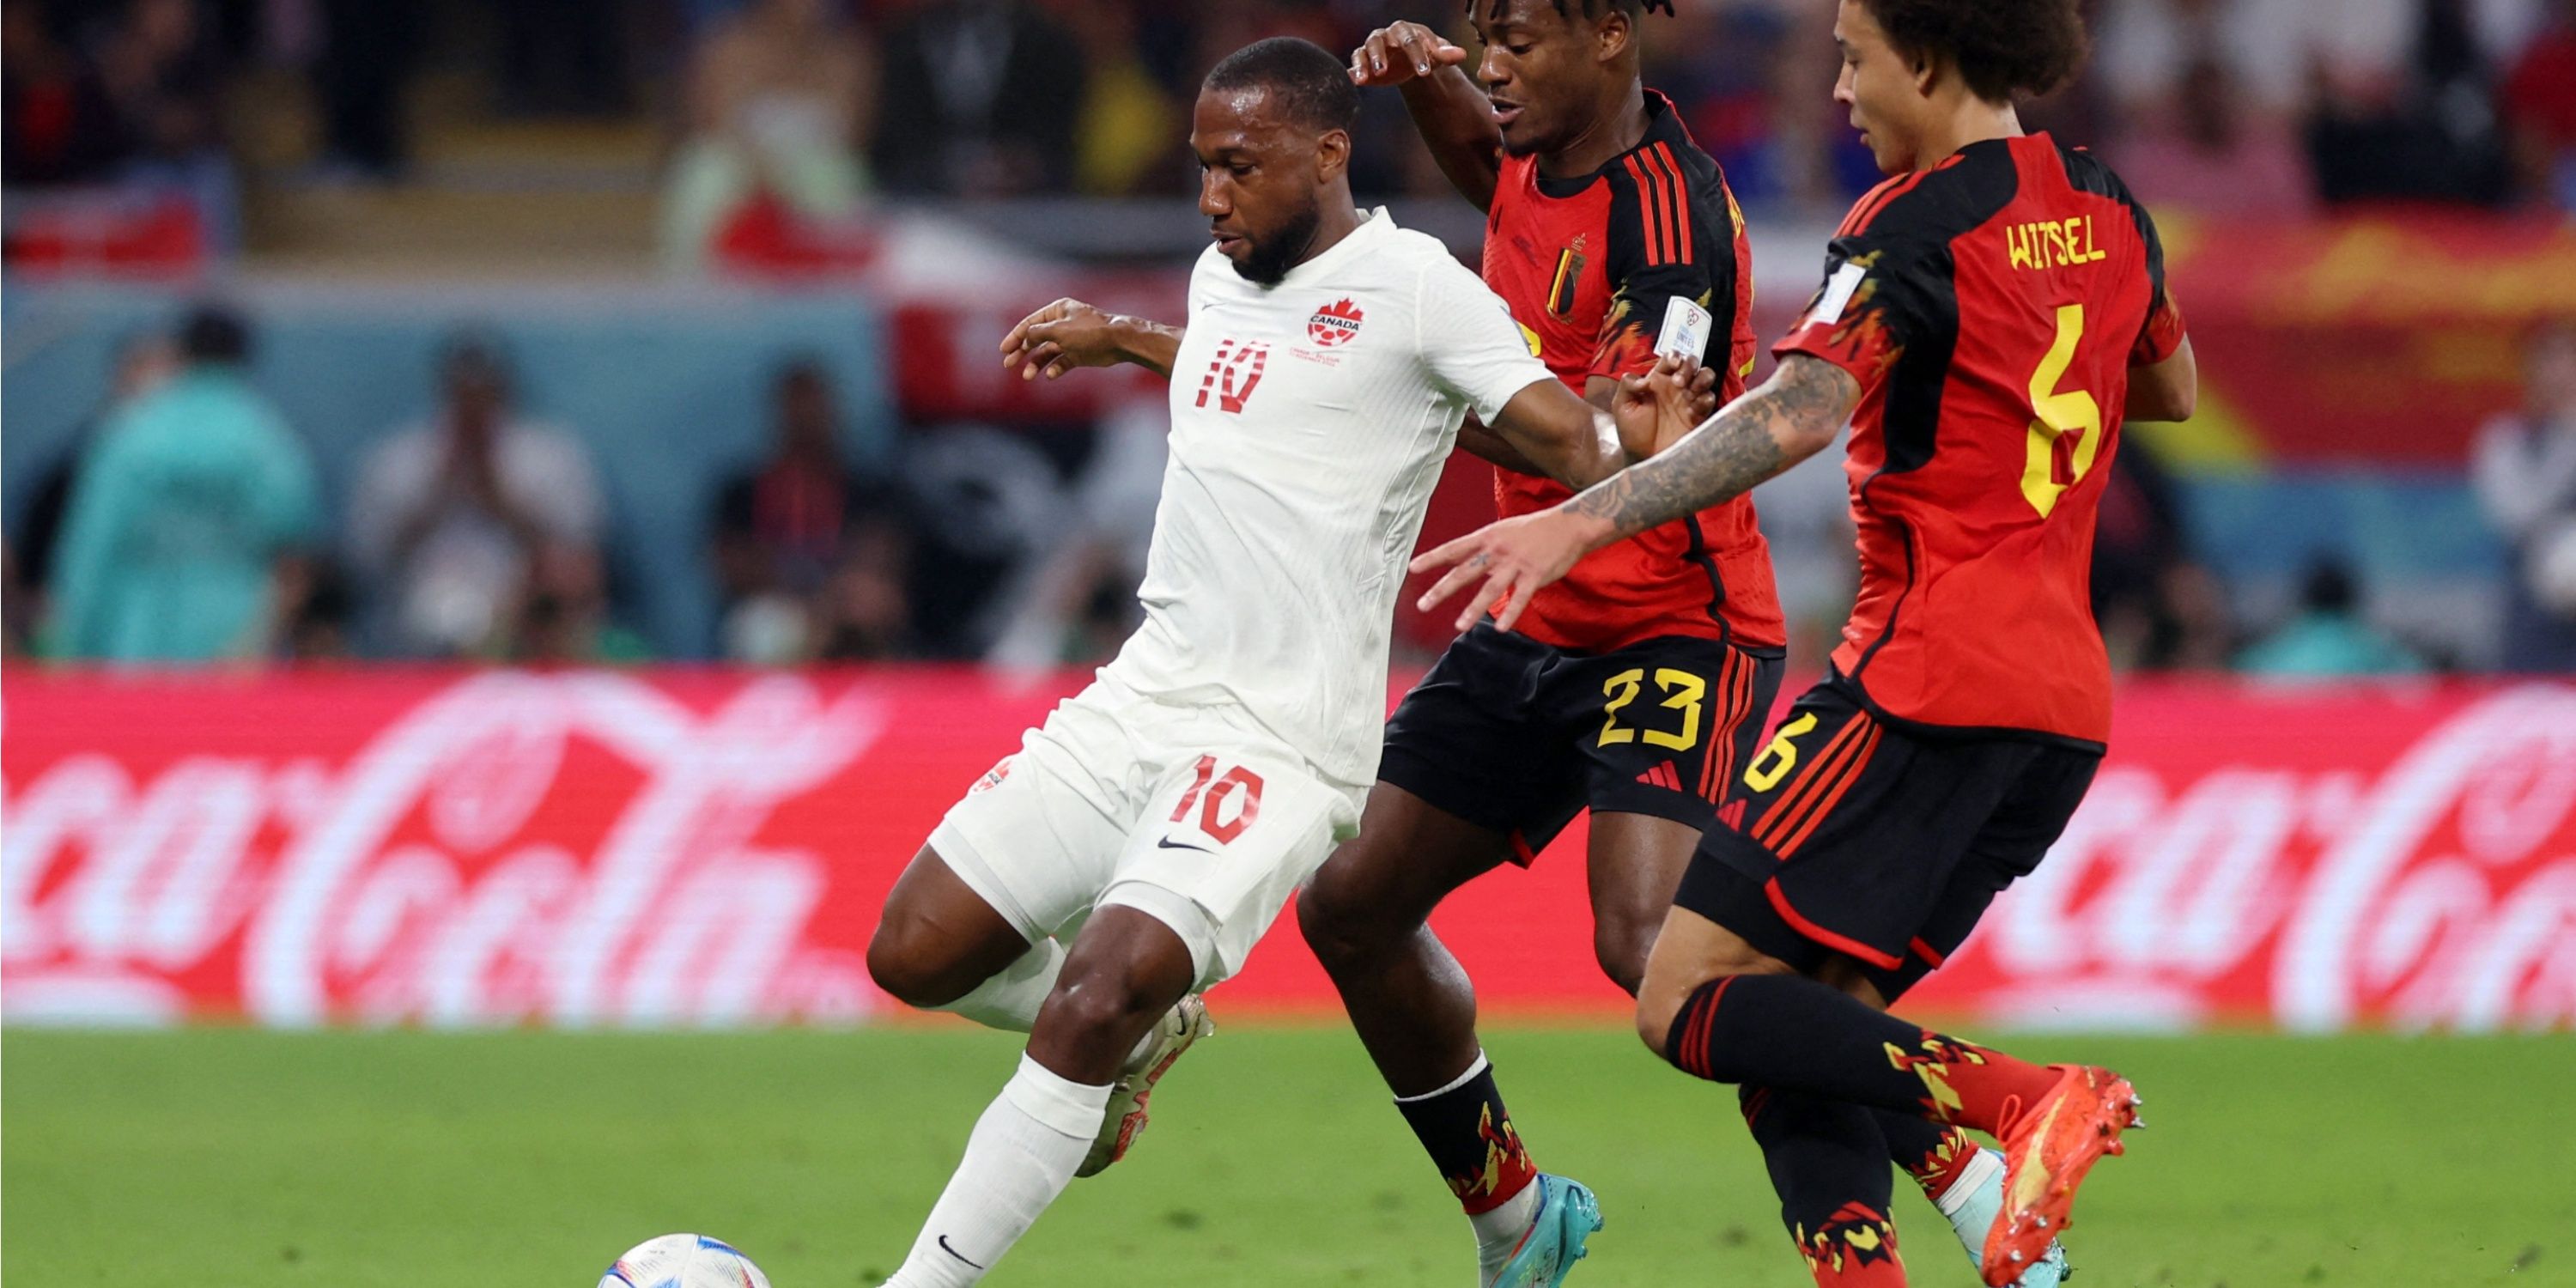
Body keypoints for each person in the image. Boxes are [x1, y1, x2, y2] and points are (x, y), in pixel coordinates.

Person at [857, 38, 1709, 1288]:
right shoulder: (1220, 274)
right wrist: (1123, 336)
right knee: (914, 953)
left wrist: (1633, 438)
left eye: (1237, 168)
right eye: (1203, 168)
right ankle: (1157, 1042)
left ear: (1325, 154)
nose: (1211, 196)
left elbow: (1561, 440)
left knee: (1094, 994)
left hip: (1278, 740)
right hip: (1143, 693)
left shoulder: (1419, 285)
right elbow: (1260, 369)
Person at [1413, 0, 2198, 1284]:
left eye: (1854, 56)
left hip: (1919, 683)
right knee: (1796, 1006)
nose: (1838, 88)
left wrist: (1583, 517)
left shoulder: (1910, 224)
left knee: (1681, 995)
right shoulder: (2109, 202)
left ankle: (2016, 1101)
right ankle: (1861, 1266)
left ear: (1930, 58)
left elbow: (1800, 412)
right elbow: (2167, 386)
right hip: (2061, 709)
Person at [49, 306, 321, 664]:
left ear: (183, 353)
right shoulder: (265, 440)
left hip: (138, 621)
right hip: (233, 621)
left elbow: (92, 542)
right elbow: (294, 535)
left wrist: (69, 639)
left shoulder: (133, 430)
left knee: (139, 718)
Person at [348, 335, 606, 659]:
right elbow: (368, 561)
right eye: (463, 392)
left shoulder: (550, 457)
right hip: (420, 622)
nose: (473, 405)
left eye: (484, 392)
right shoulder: (401, 459)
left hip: (520, 620)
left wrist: (498, 500)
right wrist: (439, 493)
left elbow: (576, 561)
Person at [711, 358, 907, 663]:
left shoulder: (868, 491)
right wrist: (806, 603)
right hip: (779, 611)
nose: (806, 417)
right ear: (778, 413)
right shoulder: (743, 492)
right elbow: (732, 566)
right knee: (758, 623)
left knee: (869, 603)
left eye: (814, 405)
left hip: (842, 606)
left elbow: (880, 555)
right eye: (796, 406)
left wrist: (833, 601)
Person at [2470, 318, 2576, 670]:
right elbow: (2518, 515)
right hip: (2536, 625)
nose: (2564, 371)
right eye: (2552, 359)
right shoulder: (2506, 439)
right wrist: (2568, 435)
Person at [2235, 556, 2425, 677]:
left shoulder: (2276, 648)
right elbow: (2418, 678)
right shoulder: (2373, 647)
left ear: (2304, 598)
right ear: (2352, 597)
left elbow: (2241, 679)